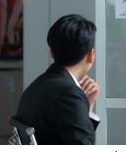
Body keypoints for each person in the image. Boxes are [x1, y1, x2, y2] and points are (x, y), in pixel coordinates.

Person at [14, 14, 100, 144]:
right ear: (91, 55)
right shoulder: (69, 94)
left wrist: (86, 106)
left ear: (51, 52)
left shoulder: (37, 86)